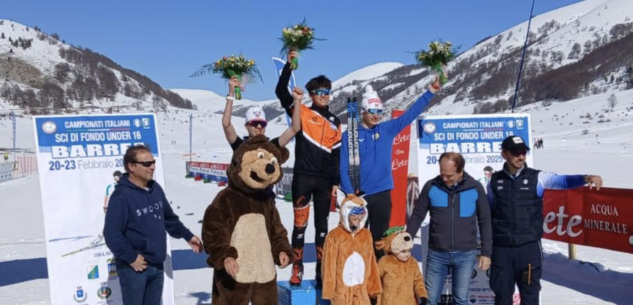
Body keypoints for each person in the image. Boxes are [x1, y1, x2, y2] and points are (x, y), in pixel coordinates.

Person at [487, 135, 603, 305]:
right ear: (504, 154)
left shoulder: (538, 177)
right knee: (502, 296)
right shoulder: (494, 181)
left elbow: (562, 181)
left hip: (528, 247)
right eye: (516, 152)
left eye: (523, 152)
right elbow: (489, 211)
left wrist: (586, 178)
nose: (521, 156)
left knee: (530, 295)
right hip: (501, 248)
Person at [340, 74, 442, 259]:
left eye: (379, 111)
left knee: (379, 239)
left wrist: (431, 91)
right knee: (356, 237)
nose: (375, 115)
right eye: (371, 111)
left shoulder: (386, 129)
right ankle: (356, 278)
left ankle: (378, 277)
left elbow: (411, 113)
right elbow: (343, 167)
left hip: (382, 192)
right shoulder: (350, 135)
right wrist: (349, 194)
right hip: (358, 194)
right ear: (363, 111)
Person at [104, 145, 203, 305]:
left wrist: (187, 235)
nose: (152, 167)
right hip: (134, 268)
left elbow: (169, 219)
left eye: (153, 162)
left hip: (156, 265)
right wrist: (131, 258)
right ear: (131, 166)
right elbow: (111, 234)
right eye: (147, 163)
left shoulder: (155, 188)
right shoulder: (121, 196)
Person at [276, 50, 342, 287]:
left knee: (322, 228)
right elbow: (280, 92)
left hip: (324, 180)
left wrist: (335, 182)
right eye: (320, 92)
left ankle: (322, 271)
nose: (325, 96)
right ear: (312, 94)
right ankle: (297, 268)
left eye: (327, 92)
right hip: (303, 177)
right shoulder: (301, 111)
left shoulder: (336, 122)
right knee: (300, 227)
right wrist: (289, 66)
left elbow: (337, 155)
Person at [406, 152, 492, 305]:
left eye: (449, 175)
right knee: (430, 299)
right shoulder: (431, 186)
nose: (444, 179)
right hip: (437, 253)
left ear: (460, 172)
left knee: (460, 299)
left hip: (465, 254)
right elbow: (418, 214)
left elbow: (485, 220)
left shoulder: (475, 188)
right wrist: (407, 238)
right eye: (442, 173)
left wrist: (486, 253)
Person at [321, 194, 381, 305]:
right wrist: (328, 291)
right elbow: (329, 266)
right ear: (346, 213)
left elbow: (371, 262)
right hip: (341, 292)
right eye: (355, 213)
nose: (358, 217)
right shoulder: (334, 236)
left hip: (361, 292)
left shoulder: (366, 235)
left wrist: (374, 287)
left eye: (361, 213)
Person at [222, 76, 302, 150]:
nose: (259, 126)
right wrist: (231, 93)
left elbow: (295, 129)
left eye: (262, 123)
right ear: (246, 126)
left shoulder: (272, 146)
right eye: (255, 123)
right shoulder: (240, 146)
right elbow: (226, 124)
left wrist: (297, 101)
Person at [374, 227, 428, 305]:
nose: (407, 254)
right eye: (403, 251)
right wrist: (374, 295)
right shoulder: (385, 262)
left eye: (409, 250)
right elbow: (376, 279)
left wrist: (422, 295)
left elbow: (418, 281)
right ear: (394, 249)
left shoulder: (412, 262)